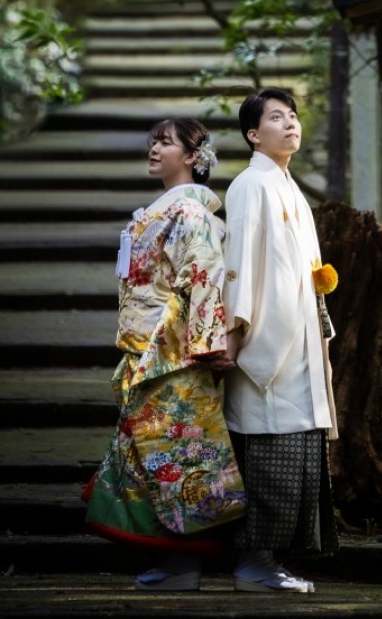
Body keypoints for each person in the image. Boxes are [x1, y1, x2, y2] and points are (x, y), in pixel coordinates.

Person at [84, 118, 246, 592]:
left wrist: (207, 342)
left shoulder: (191, 213)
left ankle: (184, 564)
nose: (154, 149)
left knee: (178, 457)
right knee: (159, 456)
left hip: (171, 352)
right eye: (153, 141)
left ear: (194, 157)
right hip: (146, 347)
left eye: (166, 142)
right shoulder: (162, 210)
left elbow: (203, 278)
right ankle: (177, 563)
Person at [221, 87, 339, 595]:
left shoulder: (287, 185)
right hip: (266, 343)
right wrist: (233, 334)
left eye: (293, 116)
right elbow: (241, 265)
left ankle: (268, 562)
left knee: (295, 448)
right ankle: (255, 562)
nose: (290, 124)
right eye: (276, 117)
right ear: (253, 134)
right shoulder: (251, 185)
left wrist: (322, 327)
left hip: (300, 340)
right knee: (270, 452)